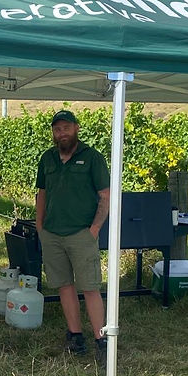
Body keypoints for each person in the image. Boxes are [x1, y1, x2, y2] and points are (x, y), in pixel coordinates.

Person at [35, 110, 111, 358]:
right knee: (64, 286)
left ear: (76, 128)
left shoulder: (92, 158)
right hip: (52, 234)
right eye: (57, 129)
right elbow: (42, 194)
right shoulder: (47, 159)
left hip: (81, 234)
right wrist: (40, 225)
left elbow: (106, 196)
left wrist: (95, 229)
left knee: (89, 287)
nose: (62, 133)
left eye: (66, 128)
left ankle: (101, 339)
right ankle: (75, 336)